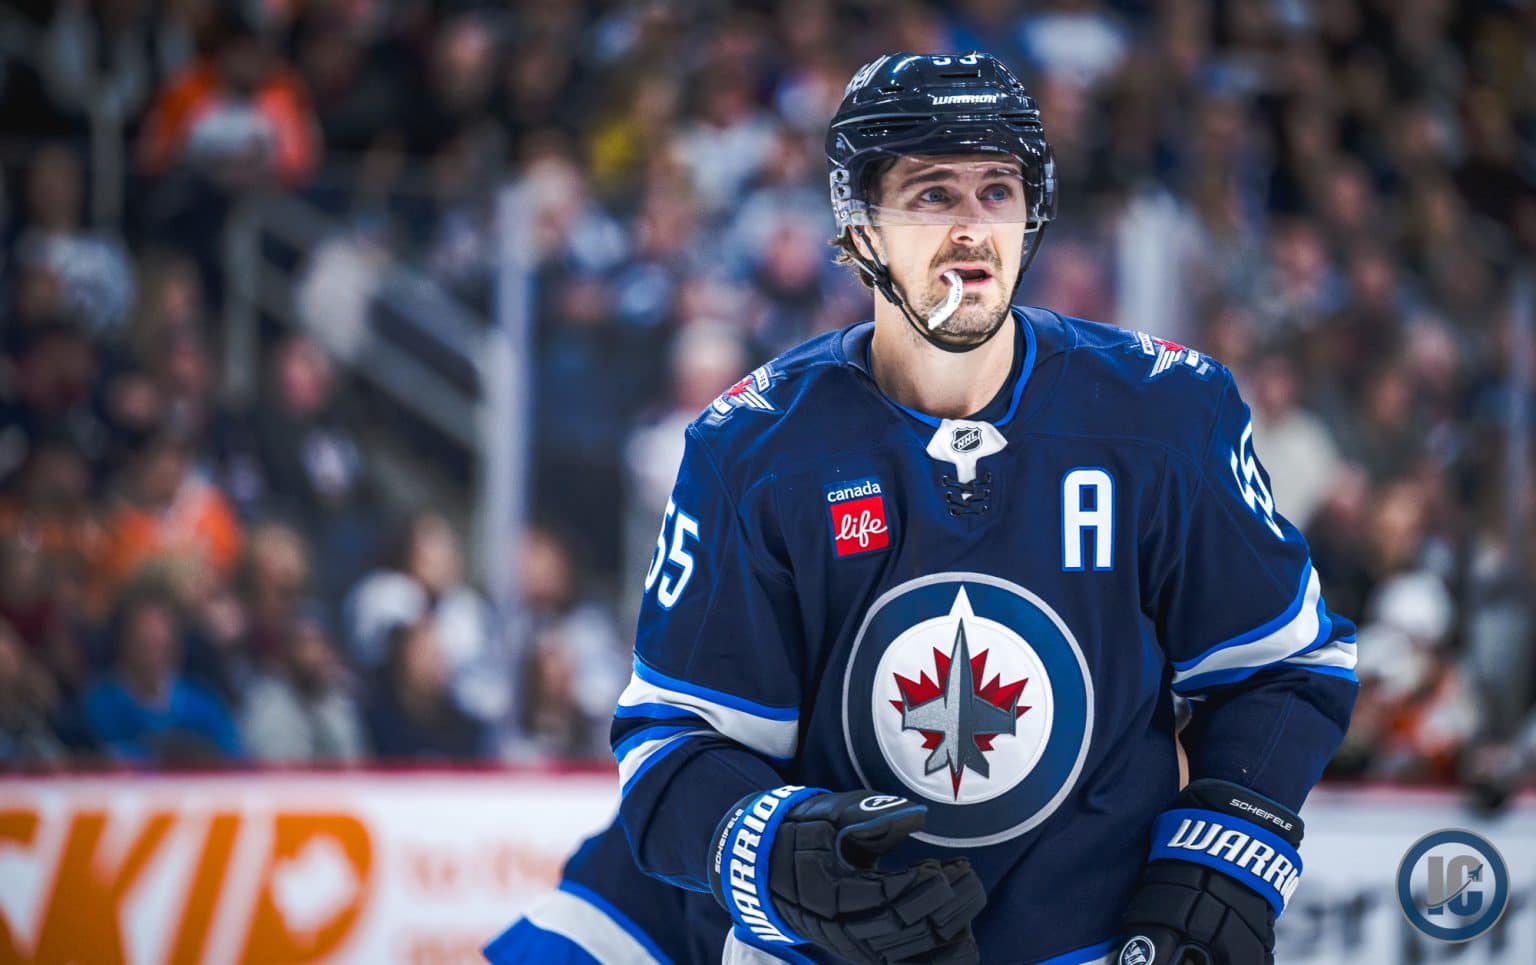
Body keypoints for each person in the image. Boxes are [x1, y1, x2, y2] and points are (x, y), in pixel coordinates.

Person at [610, 52, 1358, 965]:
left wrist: (1228, 851)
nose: (972, 229)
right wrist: (777, 858)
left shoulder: (1166, 412)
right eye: (932, 194)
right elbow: (674, 747)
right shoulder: (753, 450)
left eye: (997, 191)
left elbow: (1282, 665)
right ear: (860, 226)